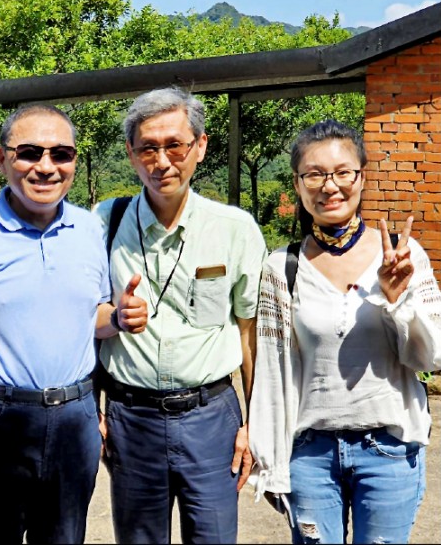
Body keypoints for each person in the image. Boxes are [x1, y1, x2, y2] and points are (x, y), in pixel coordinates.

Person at [0, 104, 148, 544]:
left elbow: (93, 317)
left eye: (60, 154)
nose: (46, 167)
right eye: (29, 152)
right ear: (2, 158)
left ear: (74, 162)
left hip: (73, 417)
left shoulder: (87, 230)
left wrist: (118, 318)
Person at [248, 119, 441, 544]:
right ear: (298, 185)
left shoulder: (404, 255)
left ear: (362, 177)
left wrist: (395, 299)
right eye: (314, 174)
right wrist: (273, 462)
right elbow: (274, 374)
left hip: (389, 453)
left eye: (342, 173)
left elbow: (431, 357)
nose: (329, 186)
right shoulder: (282, 267)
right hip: (312, 455)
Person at [93, 86, 267, 544]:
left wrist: (253, 424)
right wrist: (94, 407)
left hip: (212, 418)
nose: (162, 160)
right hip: (132, 418)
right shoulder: (103, 224)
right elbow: (83, 322)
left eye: (175, 145)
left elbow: (250, 333)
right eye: (148, 147)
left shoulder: (235, 230)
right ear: (131, 154)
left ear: (201, 147)